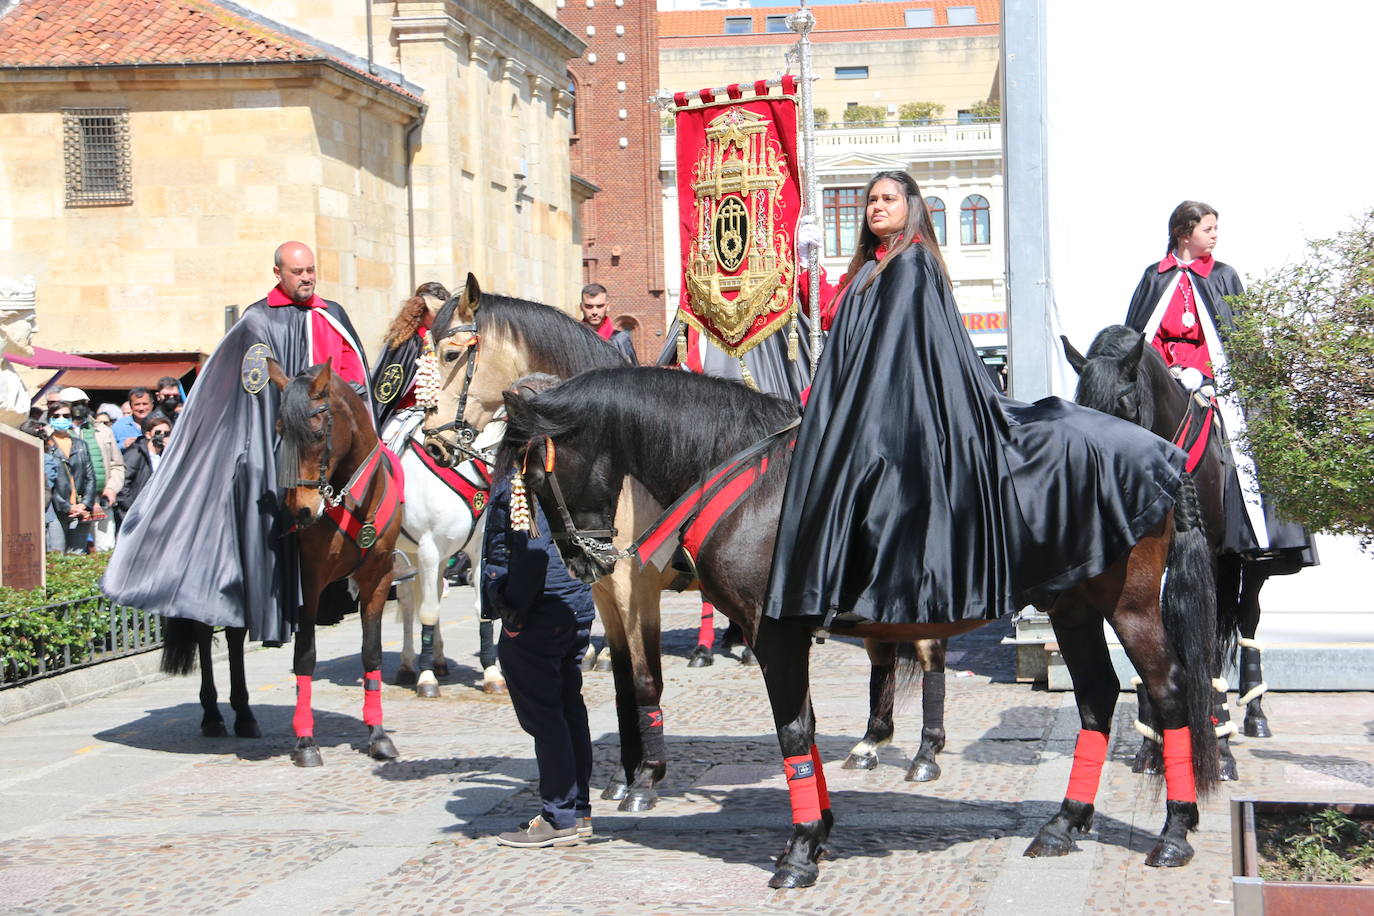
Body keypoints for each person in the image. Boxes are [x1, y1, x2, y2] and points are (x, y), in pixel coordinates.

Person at [764, 170, 1189, 627]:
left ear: (911, 207)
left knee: (875, 470)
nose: (877, 207)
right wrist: (808, 267)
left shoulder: (912, 263)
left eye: (889, 198)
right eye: (871, 200)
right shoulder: (872, 267)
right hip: (872, 394)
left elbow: (892, 350)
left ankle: (898, 588)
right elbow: (837, 317)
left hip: (910, 400)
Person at [103, 241, 372, 646]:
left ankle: (385, 561)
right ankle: (257, 590)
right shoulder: (257, 320)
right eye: (298, 272)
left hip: (327, 437)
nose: (307, 278)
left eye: (311, 270)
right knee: (259, 481)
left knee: (385, 481)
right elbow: (256, 386)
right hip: (279, 437)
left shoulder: (333, 315)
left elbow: (354, 375)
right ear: (278, 273)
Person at [1123, 200, 1317, 570]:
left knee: (1244, 437)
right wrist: (1166, 372)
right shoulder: (1155, 276)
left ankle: (1250, 533)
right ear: (1184, 234)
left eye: (1215, 229)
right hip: (1165, 377)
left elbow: (1236, 338)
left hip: (1213, 379)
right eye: (1207, 229)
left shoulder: (1223, 275)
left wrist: (1209, 377)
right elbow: (1140, 336)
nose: (1215, 236)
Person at [484, 376, 596, 848]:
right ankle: (578, 809)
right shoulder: (573, 462)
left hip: (538, 608)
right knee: (569, 708)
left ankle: (559, 815)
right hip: (574, 602)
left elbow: (527, 552)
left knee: (546, 717)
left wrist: (512, 612)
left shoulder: (525, 471)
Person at [370, 281, 450, 429]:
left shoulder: (439, 340)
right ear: (422, 310)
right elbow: (387, 393)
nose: (442, 320)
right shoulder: (408, 343)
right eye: (437, 313)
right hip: (402, 414)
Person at [59, 387, 124, 548]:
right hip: (70, 502)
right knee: (72, 551)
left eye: (83, 403)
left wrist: (111, 489)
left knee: (105, 548)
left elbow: (117, 465)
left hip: (101, 499)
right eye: (75, 404)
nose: (80, 407)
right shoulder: (55, 432)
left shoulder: (103, 431)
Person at [43, 402, 96, 553]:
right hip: (57, 509)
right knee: (57, 553)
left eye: (66, 416)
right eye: (56, 416)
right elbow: (47, 484)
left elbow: (90, 477)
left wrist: (85, 504)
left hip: (81, 508)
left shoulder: (81, 445)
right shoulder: (45, 446)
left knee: (78, 555)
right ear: (49, 419)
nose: (61, 419)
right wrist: (67, 507)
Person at [116, 413, 172, 526]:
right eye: (158, 432)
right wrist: (131, 511)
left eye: (166, 434)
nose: (162, 436)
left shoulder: (168, 456)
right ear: (148, 434)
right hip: (136, 513)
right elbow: (123, 484)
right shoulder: (136, 453)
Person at [579, 283, 638, 365]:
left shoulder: (620, 340)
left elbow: (634, 375)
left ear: (607, 306)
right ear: (581, 307)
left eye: (600, 306)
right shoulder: (573, 339)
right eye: (589, 306)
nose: (594, 312)